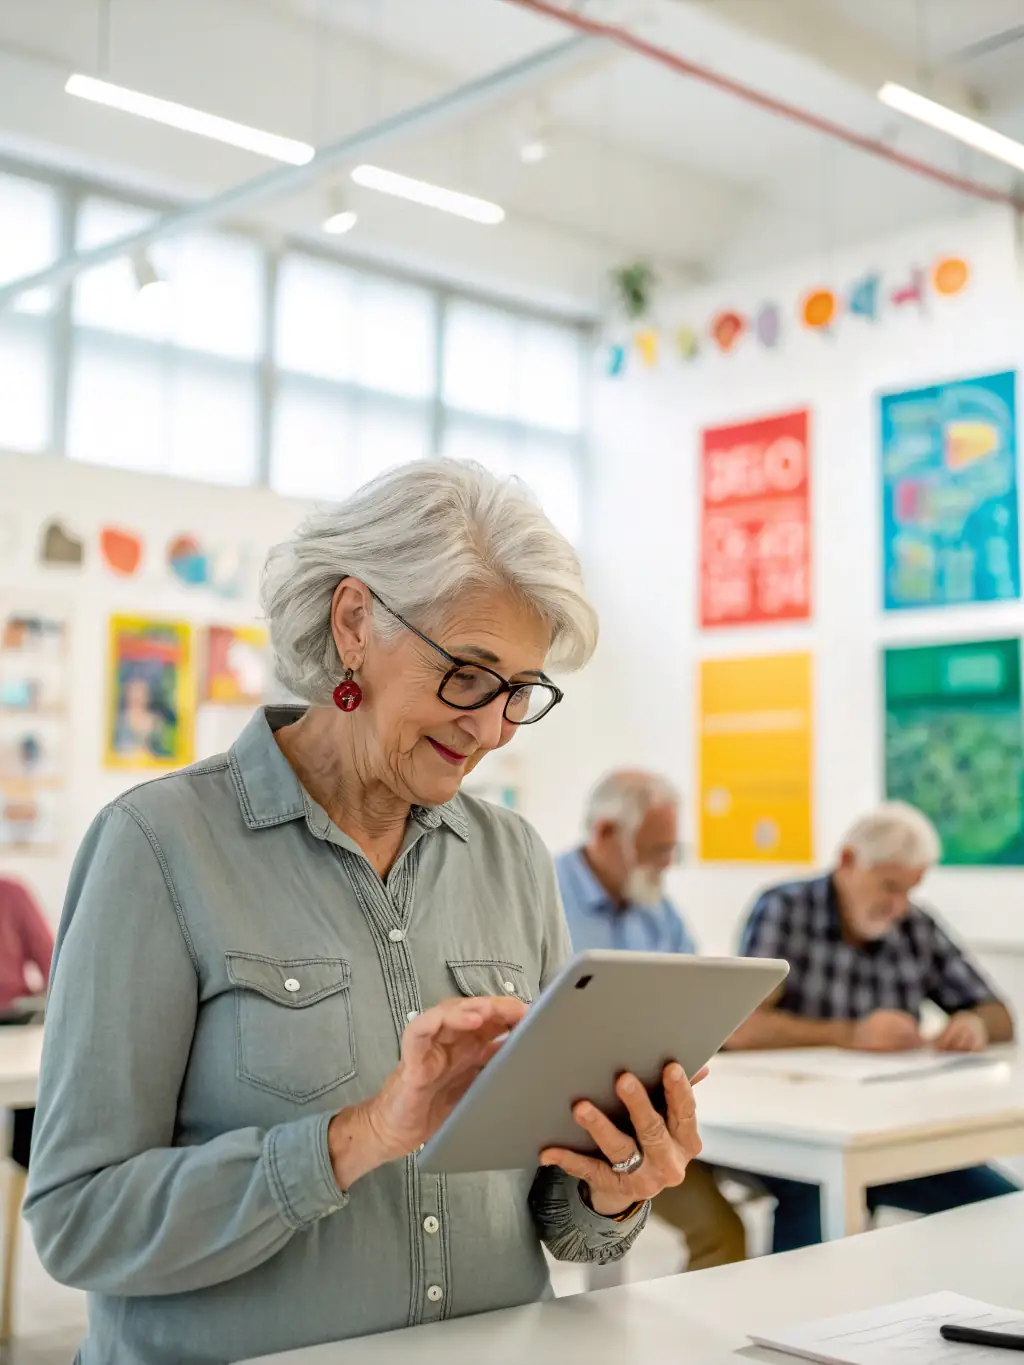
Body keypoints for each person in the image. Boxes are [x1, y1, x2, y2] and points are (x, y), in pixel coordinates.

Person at [25, 461, 704, 1365]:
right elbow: (80, 1222)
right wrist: (357, 1139)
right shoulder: (158, 846)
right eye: (469, 672)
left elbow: (556, 1221)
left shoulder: (510, 859)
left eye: (522, 691)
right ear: (355, 622)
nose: (494, 727)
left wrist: (619, 1183)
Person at [731, 801, 1017, 1252]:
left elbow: (999, 1015)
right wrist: (851, 1035)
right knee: (815, 1210)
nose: (898, 905)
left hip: (890, 1134)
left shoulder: (914, 926)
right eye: (889, 886)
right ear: (847, 862)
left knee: (1007, 1212)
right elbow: (740, 1028)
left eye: (910, 890)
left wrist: (973, 1023)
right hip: (797, 1133)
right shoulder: (784, 909)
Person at [557, 770, 746, 1270]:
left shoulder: (655, 907)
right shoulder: (543, 897)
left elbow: (698, 996)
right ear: (604, 833)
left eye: (671, 850)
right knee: (722, 1232)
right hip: (584, 1121)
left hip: (662, 1106)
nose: (665, 864)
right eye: (655, 848)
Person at [0, 879, 53, 1170]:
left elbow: (52, 960)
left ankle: (29, 1164)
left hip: (14, 1020)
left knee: (37, 1091)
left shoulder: (12, 893)